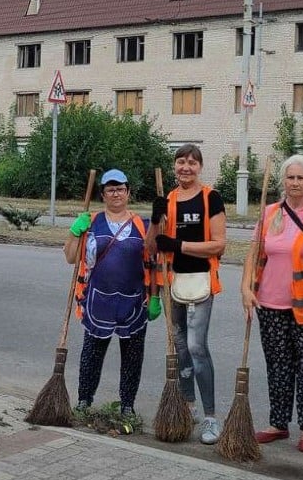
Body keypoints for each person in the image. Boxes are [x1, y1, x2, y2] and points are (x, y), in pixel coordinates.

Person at [241, 154, 303, 453]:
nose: (295, 183)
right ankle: (278, 423)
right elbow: (255, 253)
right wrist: (246, 287)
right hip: (271, 304)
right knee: (278, 365)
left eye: (301, 178)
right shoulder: (269, 212)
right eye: (290, 177)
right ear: (282, 181)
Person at [148, 144, 227, 444]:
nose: (186, 167)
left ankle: (210, 417)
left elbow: (218, 244)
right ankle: (187, 405)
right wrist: (156, 221)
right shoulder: (167, 200)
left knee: (197, 347)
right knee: (179, 346)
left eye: (192, 163)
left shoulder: (211, 198)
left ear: (200, 167)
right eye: (181, 162)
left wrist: (179, 245)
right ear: (174, 166)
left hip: (202, 281)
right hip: (172, 282)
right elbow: (152, 246)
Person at [64, 169, 157, 417]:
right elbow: (71, 257)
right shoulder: (91, 222)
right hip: (98, 301)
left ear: (128, 192)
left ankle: (127, 405)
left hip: (133, 302)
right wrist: (74, 232)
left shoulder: (142, 224)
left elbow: (157, 263)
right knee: (91, 354)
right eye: (110, 189)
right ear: (103, 194)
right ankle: (84, 400)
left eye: (120, 189)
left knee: (132, 356)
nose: (116, 194)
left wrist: (156, 297)